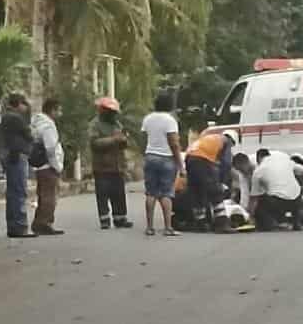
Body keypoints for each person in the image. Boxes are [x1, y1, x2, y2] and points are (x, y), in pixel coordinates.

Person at [141, 90, 184, 237]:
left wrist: (146, 153)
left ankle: (149, 227)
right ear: (170, 105)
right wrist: (180, 164)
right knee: (166, 193)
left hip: (150, 156)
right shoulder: (170, 120)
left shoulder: (148, 119)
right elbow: (174, 143)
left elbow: (143, 138)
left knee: (150, 193)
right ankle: (168, 227)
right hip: (166, 158)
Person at [88, 97, 133, 230]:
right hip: (102, 166)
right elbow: (94, 143)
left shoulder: (117, 124)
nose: (113, 114)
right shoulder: (95, 124)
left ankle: (120, 218)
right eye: (110, 111)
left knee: (118, 193)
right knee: (103, 193)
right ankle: (104, 219)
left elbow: (124, 142)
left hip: (117, 165)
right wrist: (113, 139)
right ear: (102, 110)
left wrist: (124, 140)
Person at [184, 130, 235, 232]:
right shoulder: (225, 141)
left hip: (189, 158)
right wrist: (222, 182)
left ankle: (200, 223)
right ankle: (221, 224)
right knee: (215, 191)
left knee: (197, 191)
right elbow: (226, 163)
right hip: (201, 159)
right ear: (232, 140)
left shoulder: (210, 138)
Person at [0, 93, 34, 238]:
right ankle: (20, 226)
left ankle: (14, 226)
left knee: (13, 191)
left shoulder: (6, 116)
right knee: (19, 191)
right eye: (24, 104)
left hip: (10, 155)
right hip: (17, 156)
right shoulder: (15, 118)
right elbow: (29, 135)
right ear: (18, 104)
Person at [31, 97, 65, 236]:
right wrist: (57, 165)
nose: (60, 113)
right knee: (49, 196)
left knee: (43, 195)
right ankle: (45, 223)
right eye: (59, 110)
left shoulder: (37, 123)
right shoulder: (48, 125)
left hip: (41, 166)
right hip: (48, 166)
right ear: (52, 110)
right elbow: (50, 147)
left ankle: (39, 222)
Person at [248, 148, 303, 232]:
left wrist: (250, 216)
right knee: (293, 192)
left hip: (277, 203)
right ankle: (296, 221)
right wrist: (301, 187)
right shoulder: (284, 160)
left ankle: (270, 224)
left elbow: (254, 198)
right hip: (296, 200)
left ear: (258, 159)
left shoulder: (258, 171)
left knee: (261, 200)